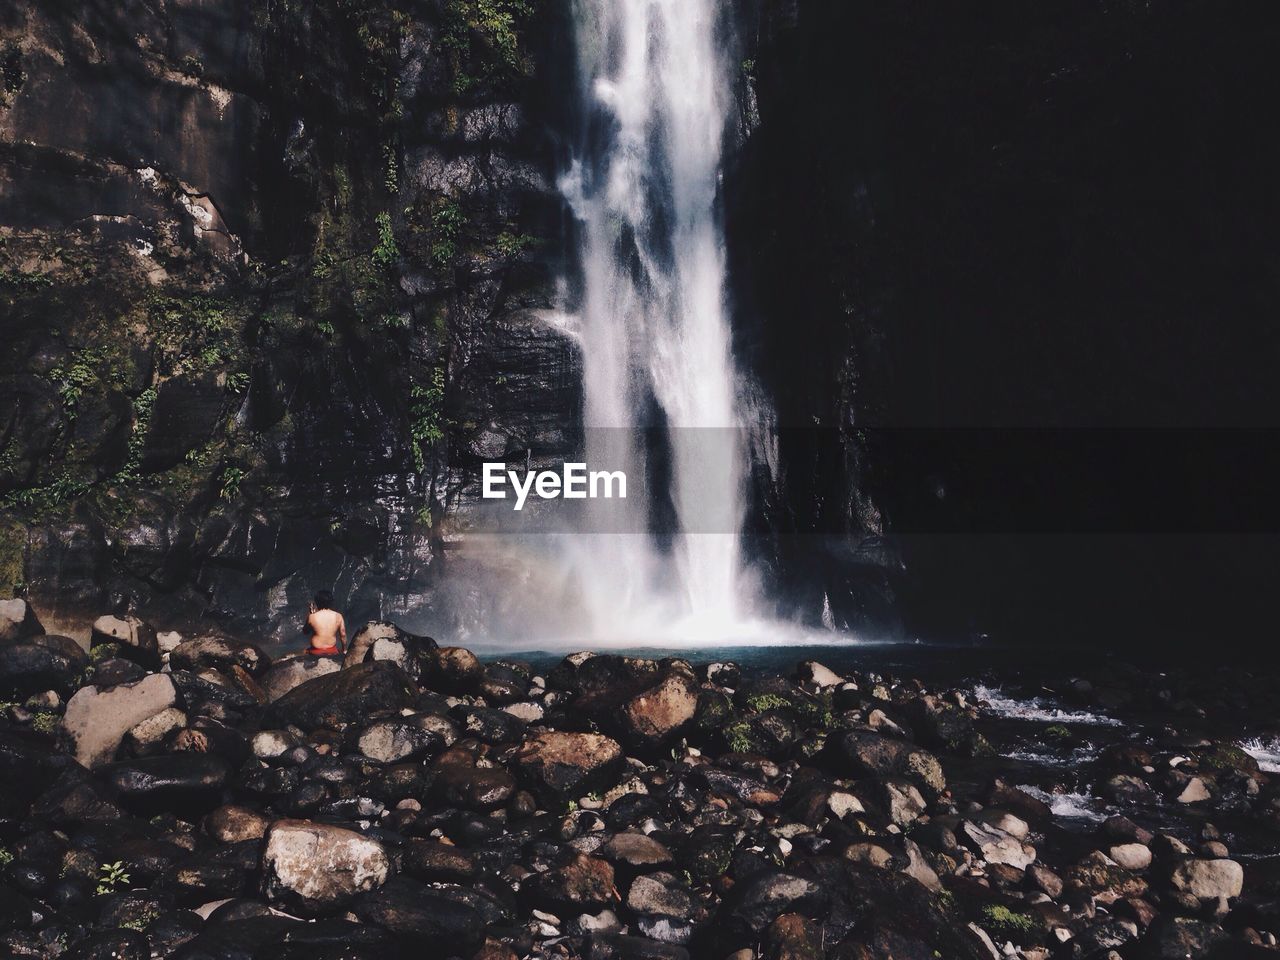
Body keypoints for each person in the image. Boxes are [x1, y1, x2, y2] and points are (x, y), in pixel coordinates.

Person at [304, 589, 346, 656]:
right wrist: (344, 650)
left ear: (317, 602)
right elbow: (343, 634)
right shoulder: (338, 616)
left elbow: (305, 632)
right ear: (331, 602)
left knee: (304, 651)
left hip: (315, 651)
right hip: (332, 650)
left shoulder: (312, 617)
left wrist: (310, 613)